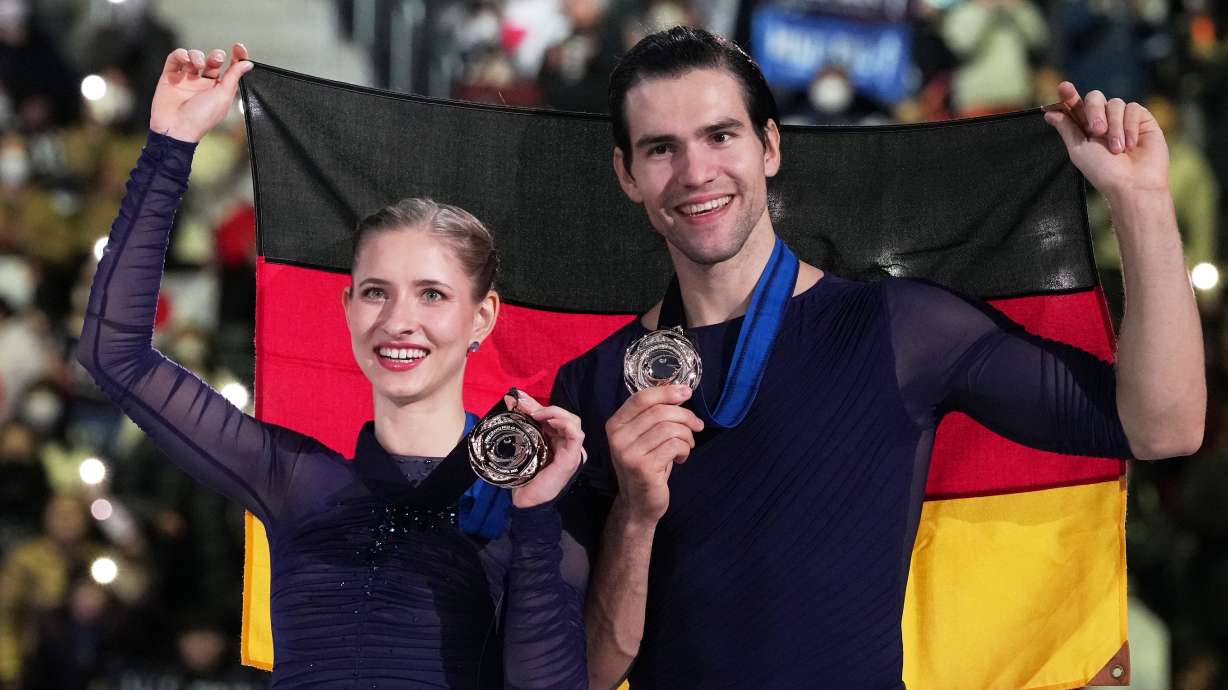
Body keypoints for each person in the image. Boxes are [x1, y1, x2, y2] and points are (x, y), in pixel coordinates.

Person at [550, 26, 1205, 689]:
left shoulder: (898, 330)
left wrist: (1140, 199)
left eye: (721, 136)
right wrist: (634, 517)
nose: (696, 173)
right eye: (661, 149)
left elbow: (1164, 428)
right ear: (626, 174)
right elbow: (581, 676)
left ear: (769, 146)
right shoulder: (597, 385)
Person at [77, 44, 588, 688]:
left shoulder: (525, 506)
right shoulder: (296, 479)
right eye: (376, 291)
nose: (399, 319)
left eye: (432, 294)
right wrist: (170, 147)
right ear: (347, 308)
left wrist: (538, 514)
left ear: (481, 317)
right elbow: (114, 354)